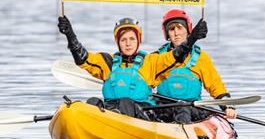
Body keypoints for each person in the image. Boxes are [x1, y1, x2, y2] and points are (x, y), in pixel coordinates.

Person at [57, 15, 200, 120]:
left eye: (132, 39)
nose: (128, 44)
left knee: (126, 102)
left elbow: (176, 56)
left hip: (142, 114)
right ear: (118, 42)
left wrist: (192, 38)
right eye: (123, 40)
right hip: (111, 112)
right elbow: (83, 58)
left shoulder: (150, 62)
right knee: (92, 102)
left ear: (138, 41)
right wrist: (70, 35)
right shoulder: (107, 61)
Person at [151, 9, 237, 124]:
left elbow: (215, 86)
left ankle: (181, 134)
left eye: (180, 27)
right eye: (172, 29)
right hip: (163, 107)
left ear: (188, 30)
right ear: (167, 34)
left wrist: (228, 107)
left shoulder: (201, 58)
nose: (176, 33)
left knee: (182, 107)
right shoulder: (158, 56)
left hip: (192, 108)